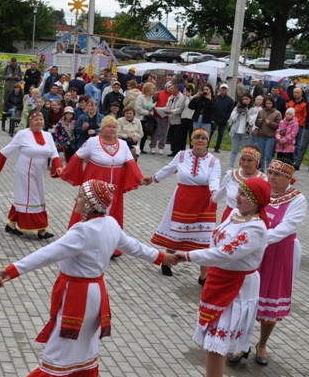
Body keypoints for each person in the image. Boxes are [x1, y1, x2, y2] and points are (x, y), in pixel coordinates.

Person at [0, 180, 169, 377]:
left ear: (90, 204)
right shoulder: (110, 224)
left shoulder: (82, 231)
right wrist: (162, 257)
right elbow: (134, 246)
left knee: (58, 350)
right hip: (96, 294)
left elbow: (48, 253)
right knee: (86, 347)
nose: (76, 200)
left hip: (78, 297)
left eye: (80, 197)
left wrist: (10, 271)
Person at [177, 177, 271, 377]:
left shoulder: (257, 228)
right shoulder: (235, 215)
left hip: (237, 287)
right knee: (213, 340)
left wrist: (187, 256)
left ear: (258, 202)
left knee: (216, 346)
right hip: (220, 280)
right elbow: (216, 239)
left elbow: (226, 252)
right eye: (239, 192)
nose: (238, 197)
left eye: (245, 195)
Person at [245, 161, 307, 366]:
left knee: (271, 297)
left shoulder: (297, 199)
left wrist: (257, 238)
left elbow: (287, 227)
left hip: (279, 253)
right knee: (247, 299)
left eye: (277, 174)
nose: (271, 177)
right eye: (270, 172)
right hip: (254, 252)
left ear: (288, 178)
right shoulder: (262, 190)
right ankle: (241, 342)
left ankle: (262, 344)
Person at [140, 129, 221, 281]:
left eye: (203, 138)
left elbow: (214, 178)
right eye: (196, 137)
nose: (200, 140)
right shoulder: (182, 155)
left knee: (204, 238)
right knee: (176, 233)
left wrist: (215, 193)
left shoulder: (213, 161)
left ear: (207, 142)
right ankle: (167, 262)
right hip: (183, 198)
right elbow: (169, 169)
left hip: (204, 201)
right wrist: (153, 178)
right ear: (191, 140)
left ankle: (204, 276)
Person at [60, 115, 142, 243]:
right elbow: (77, 157)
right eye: (108, 126)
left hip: (115, 186)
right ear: (102, 129)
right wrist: (65, 172)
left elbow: (131, 163)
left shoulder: (123, 144)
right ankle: (81, 241)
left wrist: (139, 178)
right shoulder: (93, 142)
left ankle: (109, 243)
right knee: (89, 209)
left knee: (112, 212)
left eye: (114, 127)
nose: (112, 129)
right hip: (94, 185)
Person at [0, 108, 64, 240]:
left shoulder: (48, 135)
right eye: (36, 120)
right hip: (26, 170)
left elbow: (54, 153)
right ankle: (42, 230)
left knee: (30, 197)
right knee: (32, 198)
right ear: (30, 121)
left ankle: (11, 225)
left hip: (39, 172)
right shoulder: (23, 134)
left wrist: (58, 166)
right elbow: (9, 148)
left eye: (41, 119)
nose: (39, 122)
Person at [215, 146, 266, 222]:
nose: (245, 163)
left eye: (249, 160)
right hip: (229, 217)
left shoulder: (263, 180)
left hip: (251, 220)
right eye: (243, 159)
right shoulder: (231, 175)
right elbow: (217, 196)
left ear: (257, 162)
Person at [227, 94, 257, 167]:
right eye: (243, 99)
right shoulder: (237, 108)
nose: (245, 101)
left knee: (245, 152)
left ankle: (243, 167)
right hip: (236, 131)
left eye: (247, 99)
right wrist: (237, 109)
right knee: (234, 150)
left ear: (250, 100)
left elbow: (251, 122)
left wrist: (247, 113)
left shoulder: (253, 110)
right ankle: (230, 166)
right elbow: (232, 118)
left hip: (246, 133)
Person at [252, 96, 281, 170]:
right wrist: (259, 122)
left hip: (270, 136)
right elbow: (256, 123)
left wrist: (270, 123)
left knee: (268, 155)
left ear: (273, 104)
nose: (268, 105)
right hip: (261, 135)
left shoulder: (277, 113)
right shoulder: (261, 111)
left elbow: (279, 125)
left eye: (270, 103)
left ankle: (269, 169)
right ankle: (261, 169)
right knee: (261, 154)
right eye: (266, 103)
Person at [210, 84, 234, 153]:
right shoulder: (216, 98)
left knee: (220, 134)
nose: (223, 90)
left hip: (223, 120)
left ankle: (217, 147)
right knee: (210, 133)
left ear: (227, 90)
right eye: (222, 89)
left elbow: (231, 110)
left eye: (225, 89)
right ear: (220, 90)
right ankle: (206, 146)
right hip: (214, 119)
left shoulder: (230, 100)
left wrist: (226, 117)